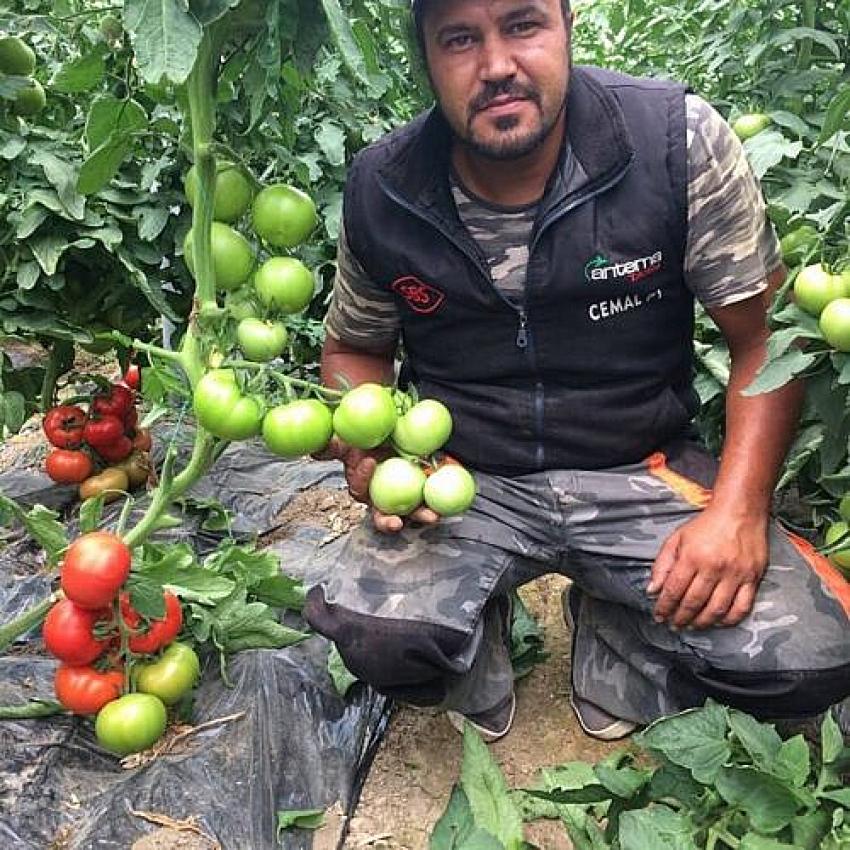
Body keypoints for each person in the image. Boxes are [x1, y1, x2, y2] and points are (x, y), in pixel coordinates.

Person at [304, 0, 850, 743]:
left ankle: (618, 633)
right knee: (377, 638)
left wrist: (738, 511)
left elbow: (765, 338)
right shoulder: (386, 187)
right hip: (465, 476)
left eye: (523, 25)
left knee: (812, 661)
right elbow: (355, 349)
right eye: (459, 39)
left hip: (640, 462)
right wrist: (371, 441)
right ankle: (477, 644)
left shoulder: (672, 144)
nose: (496, 66)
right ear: (425, 60)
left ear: (567, 27)